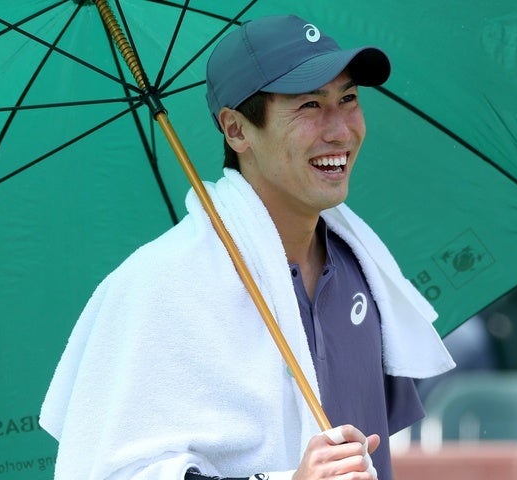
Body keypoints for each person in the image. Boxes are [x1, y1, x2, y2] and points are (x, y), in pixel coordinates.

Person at [39, 14, 454, 480]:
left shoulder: (365, 270)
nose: (340, 130)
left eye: (349, 98)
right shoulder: (158, 284)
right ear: (236, 130)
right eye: (309, 106)